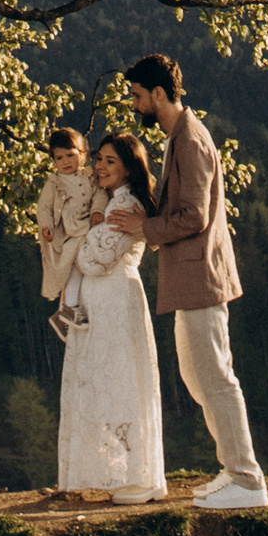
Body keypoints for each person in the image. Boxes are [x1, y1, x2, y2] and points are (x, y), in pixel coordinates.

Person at [125, 51, 268, 508]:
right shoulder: (177, 138)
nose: (135, 105)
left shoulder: (190, 140)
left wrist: (144, 230)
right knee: (197, 375)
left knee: (216, 376)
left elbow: (194, 215)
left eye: (137, 96)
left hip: (201, 276)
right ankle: (233, 470)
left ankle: (247, 479)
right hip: (190, 279)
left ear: (160, 94)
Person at [54, 132, 167, 499]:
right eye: (99, 159)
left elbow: (95, 259)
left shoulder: (127, 203)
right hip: (98, 302)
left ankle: (134, 477)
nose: (100, 166)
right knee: (96, 382)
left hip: (116, 298)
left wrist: (75, 239)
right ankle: (106, 474)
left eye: (110, 161)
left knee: (120, 381)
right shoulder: (110, 200)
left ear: (129, 167)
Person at [34, 122, 93, 341]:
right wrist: (46, 226)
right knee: (72, 267)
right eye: (59, 158)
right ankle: (68, 307)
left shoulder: (90, 177)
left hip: (86, 226)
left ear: (82, 154)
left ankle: (65, 312)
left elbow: (99, 197)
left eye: (70, 155)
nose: (65, 162)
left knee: (80, 266)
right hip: (68, 232)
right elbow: (44, 207)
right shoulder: (54, 182)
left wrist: (97, 211)